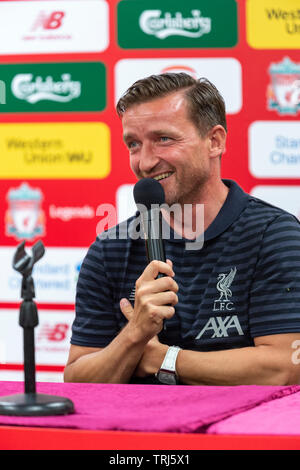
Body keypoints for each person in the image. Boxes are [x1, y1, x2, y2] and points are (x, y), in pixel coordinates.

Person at [64, 73, 300, 386]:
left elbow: (285, 367)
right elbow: (78, 380)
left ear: (214, 141)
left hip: (234, 434)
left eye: (164, 139)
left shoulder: (274, 235)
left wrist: (162, 359)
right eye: (134, 144)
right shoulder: (110, 249)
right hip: (138, 433)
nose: (145, 162)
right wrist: (133, 336)